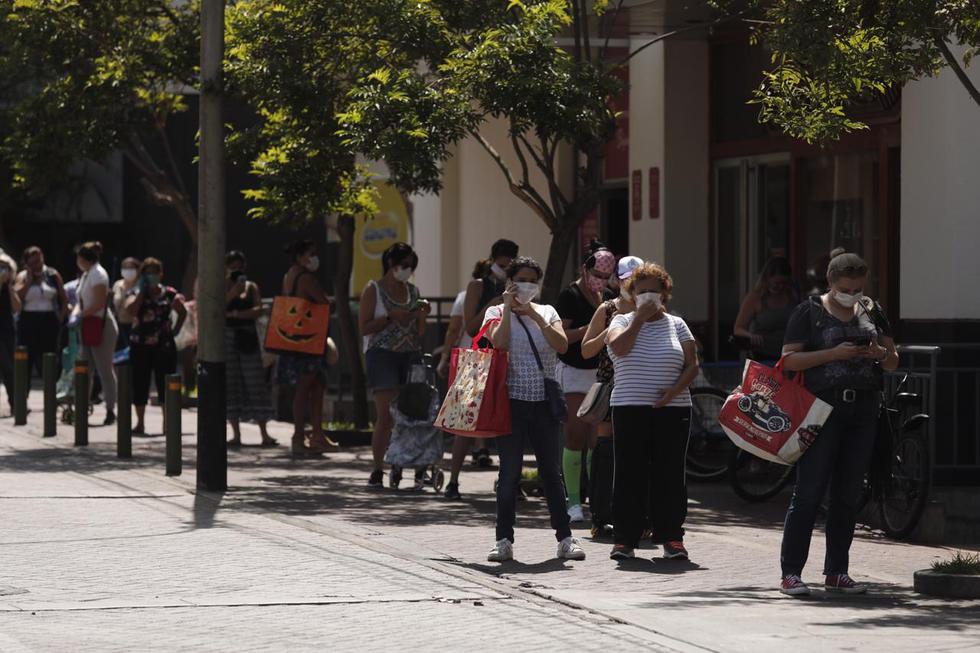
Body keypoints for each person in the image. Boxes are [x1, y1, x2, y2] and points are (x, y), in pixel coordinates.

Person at [778, 249, 898, 597]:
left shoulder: (872, 310)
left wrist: (879, 354)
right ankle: (791, 573)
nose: (853, 294)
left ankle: (836, 572)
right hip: (822, 410)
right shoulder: (810, 311)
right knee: (810, 491)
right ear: (831, 283)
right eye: (847, 288)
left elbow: (893, 360)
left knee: (848, 494)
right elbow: (789, 360)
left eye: (859, 288)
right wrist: (833, 353)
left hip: (863, 411)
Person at [483, 256, 585, 563]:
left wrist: (535, 315)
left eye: (532, 280)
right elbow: (499, 343)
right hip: (510, 403)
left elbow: (562, 344)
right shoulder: (495, 312)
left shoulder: (548, 311)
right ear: (509, 282)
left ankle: (565, 538)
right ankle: (503, 540)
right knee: (509, 472)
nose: (527, 285)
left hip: (544, 402)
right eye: (521, 279)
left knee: (551, 473)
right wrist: (509, 310)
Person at [606, 262, 699, 562]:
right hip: (629, 407)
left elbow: (692, 364)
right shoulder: (620, 321)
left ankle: (671, 536)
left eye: (653, 292)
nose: (647, 296)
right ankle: (625, 539)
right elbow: (618, 349)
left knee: (670, 473)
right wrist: (637, 321)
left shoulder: (677, 324)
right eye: (641, 291)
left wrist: (673, 392)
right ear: (632, 294)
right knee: (630, 473)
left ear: (664, 294)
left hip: (673, 409)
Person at [580, 255, 643, 539]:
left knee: (641, 452)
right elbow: (586, 350)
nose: (632, 284)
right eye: (627, 278)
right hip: (611, 385)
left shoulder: (653, 310)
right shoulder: (607, 309)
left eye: (638, 278)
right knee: (606, 450)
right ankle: (601, 517)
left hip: (643, 385)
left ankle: (643, 518)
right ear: (617, 280)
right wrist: (610, 329)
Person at [359, 242, 429, 487]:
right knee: (386, 416)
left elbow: (419, 332)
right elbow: (364, 327)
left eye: (411, 266)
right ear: (391, 263)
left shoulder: (414, 291)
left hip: (410, 355)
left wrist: (422, 316)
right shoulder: (373, 289)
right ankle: (378, 468)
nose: (408, 270)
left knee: (413, 414)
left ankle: (411, 464)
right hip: (382, 355)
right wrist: (389, 317)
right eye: (404, 265)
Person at [556, 240, 616, 523]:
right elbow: (562, 339)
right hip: (573, 370)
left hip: (601, 373)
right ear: (585, 268)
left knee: (598, 441)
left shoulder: (612, 296)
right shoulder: (569, 295)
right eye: (597, 275)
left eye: (607, 277)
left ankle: (597, 500)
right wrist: (592, 327)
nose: (601, 281)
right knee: (575, 435)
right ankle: (573, 502)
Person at [439, 259, 493, 500]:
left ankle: (454, 479)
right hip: (473, 359)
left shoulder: (512, 293)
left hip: (482, 360)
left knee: (468, 421)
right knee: (463, 422)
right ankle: (453, 480)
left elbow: (453, 330)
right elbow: (465, 327)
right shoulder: (469, 295)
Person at [461, 239, 518, 466]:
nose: (505, 271)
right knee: (468, 412)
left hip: (509, 356)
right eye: (501, 266)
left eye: (508, 267)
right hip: (480, 355)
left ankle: (508, 473)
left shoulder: (516, 286)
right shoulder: (478, 286)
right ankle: (457, 475)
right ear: (493, 261)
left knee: (507, 416)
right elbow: (470, 327)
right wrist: (493, 305)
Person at [277, 240, 337, 455]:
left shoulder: (289, 275)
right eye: (310, 254)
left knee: (315, 386)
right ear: (300, 256)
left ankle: (316, 435)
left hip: (298, 339)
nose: (314, 258)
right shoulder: (306, 278)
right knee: (306, 389)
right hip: (310, 340)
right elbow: (324, 303)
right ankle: (299, 436)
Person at [125, 257, 186, 435]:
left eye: (155, 272)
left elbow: (182, 312)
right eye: (147, 272)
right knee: (140, 382)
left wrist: (175, 330)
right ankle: (140, 422)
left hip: (164, 345)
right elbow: (130, 311)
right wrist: (142, 293)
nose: (152, 276)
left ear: (161, 274)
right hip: (140, 344)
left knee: (165, 384)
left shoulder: (169, 293)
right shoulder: (136, 292)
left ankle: (168, 423)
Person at [225, 251, 277, 447]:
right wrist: (232, 293)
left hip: (248, 337)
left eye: (239, 266)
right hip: (228, 337)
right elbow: (217, 309)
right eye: (232, 266)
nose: (236, 270)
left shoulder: (251, 287)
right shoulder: (223, 285)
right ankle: (236, 434)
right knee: (231, 384)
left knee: (255, 382)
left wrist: (237, 313)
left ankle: (264, 433)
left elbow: (258, 310)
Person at [73, 242, 119, 426]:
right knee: (84, 369)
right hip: (87, 324)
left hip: (101, 325)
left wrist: (80, 315)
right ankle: (82, 408)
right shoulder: (86, 275)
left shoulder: (99, 274)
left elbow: (99, 303)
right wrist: (76, 314)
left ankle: (110, 409)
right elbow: (82, 301)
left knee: (104, 369)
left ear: (84, 258)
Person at [14, 246, 67, 381]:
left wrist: (60, 318)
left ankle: (50, 393)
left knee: (49, 357)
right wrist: (29, 281)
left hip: (49, 319)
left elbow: (63, 298)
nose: (36, 265)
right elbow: (16, 296)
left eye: (39, 261)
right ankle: (22, 394)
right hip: (28, 320)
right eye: (33, 263)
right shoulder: (22, 276)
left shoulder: (52, 274)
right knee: (26, 358)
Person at [733, 257, 797, 361]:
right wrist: (750, 335)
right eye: (776, 283)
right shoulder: (755, 298)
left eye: (784, 283)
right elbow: (738, 328)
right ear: (767, 279)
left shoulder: (793, 297)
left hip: (789, 355)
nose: (780, 287)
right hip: (761, 355)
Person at [0, 252, 21, 414]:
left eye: (5, 268)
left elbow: (17, 307)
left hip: (8, 330)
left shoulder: (8, 288)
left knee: (11, 368)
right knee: (7, 366)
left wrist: (8, 287)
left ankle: (16, 404)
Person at [112, 257, 141, 349]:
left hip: (135, 327)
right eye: (125, 268)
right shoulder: (117, 285)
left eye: (131, 268)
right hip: (118, 325)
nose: (128, 271)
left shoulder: (141, 286)